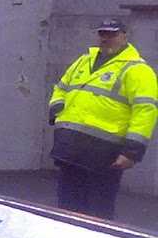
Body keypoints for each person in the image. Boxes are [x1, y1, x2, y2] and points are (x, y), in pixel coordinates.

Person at [48, 17, 157, 220]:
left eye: (112, 34)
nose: (106, 38)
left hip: (104, 156)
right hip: (70, 150)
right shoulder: (84, 61)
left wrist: (131, 152)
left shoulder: (138, 70)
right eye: (102, 33)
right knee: (66, 211)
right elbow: (60, 88)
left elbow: (145, 112)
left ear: (125, 36)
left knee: (98, 213)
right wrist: (57, 110)